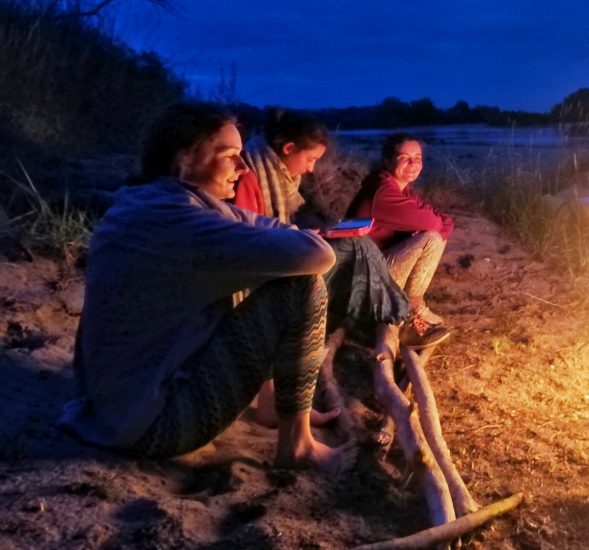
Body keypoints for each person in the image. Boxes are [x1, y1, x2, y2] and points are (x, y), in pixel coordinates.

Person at [59, 102, 351, 470]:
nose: (244, 169)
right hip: (154, 424)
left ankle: (275, 404)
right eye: (230, 156)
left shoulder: (150, 200)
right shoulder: (180, 221)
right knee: (301, 289)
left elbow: (268, 227)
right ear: (185, 159)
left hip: (111, 408)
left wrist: (271, 230)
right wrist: (281, 233)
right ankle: (298, 445)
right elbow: (316, 254)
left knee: (270, 270)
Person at [234, 108, 448, 357]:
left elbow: (285, 222)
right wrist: (304, 234)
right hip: (277, 276)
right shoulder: (252, 177)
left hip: (314, 257)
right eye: (310, 159)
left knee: (364, 244)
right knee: (363, 246)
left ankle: (402, 314)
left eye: (418, 158)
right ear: (289, 148)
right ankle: (401, 317)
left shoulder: (278, 176)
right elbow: (252, 238)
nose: (312, 169)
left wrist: (314, 229)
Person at [346, 133, 454, 330]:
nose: (413, 163)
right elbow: (434, 224)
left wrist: (429, 227)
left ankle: (404, 305)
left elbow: (445, 222)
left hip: (375, 266)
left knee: (430, 236)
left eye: (418, 158)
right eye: (404, 158)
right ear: (387, 160)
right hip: (363, 279)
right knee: (430, 239)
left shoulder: (402, 189)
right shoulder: (383, 191)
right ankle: (412, 309)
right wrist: (426, 229)